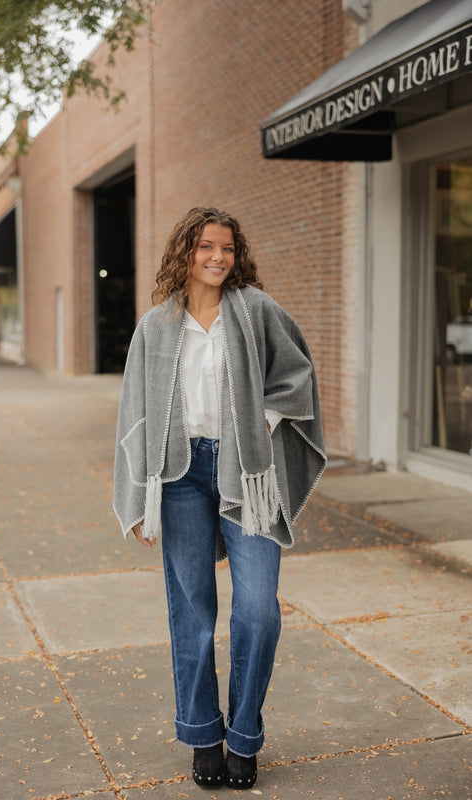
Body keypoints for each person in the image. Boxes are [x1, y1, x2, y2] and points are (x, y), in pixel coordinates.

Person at [113, 206, 326, 790]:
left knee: (258, 610)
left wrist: (262, 422)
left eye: (227, 248)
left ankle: (245, 734)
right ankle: (203, 734)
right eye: (206, 246)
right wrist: (139, 497)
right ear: (185, 252)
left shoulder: (256, 310)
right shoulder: (156, 326)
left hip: (247, 474)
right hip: (179, 476)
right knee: (193, 612)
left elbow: (297, 375)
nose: (217, 257)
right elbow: (135, 412)